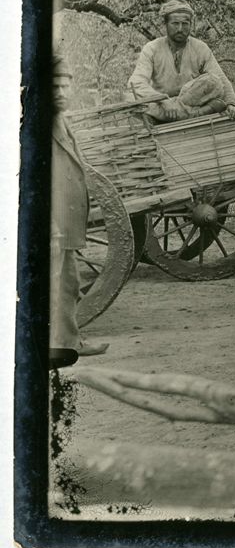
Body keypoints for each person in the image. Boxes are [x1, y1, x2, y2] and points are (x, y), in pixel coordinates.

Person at [50, 53, 107, 368]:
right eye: (54, 86)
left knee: (69, 283)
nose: (60, 92)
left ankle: (70, 343)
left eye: (65, 86)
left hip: (66, 224)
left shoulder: (62, 120)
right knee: (51, 284)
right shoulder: (33, 125)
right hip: (52, 225)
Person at [127, 0, 235, 123]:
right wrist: (164, 101)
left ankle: (172, 115)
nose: (180, 28)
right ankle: (198, 114)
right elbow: (137, 83)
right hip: (162, 105)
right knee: (130, 99)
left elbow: (220, 78)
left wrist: (231, 104)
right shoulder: (152, 48)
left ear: (190, 25)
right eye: (175, 23)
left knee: (214, 81)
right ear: (166, 24)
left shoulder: (200, 48)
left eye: (185, 24)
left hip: (192, 102)